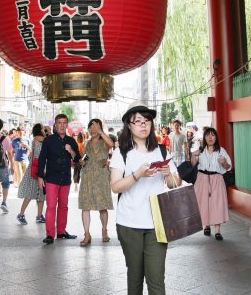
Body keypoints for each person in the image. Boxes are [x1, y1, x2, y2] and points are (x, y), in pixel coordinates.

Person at [110, 105, 179, 295]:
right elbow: (115, 187)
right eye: (138, 121)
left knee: (156, 278)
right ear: (129, 126)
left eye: (147, 120)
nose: (143, 125)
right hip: (129, 222)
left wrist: (168, 174)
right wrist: (138, 174)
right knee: (135, 276)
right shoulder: (121, 153)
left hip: (158, 223)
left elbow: (175, 183)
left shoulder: (162, 151)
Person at [37, 113, 80, 244]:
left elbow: (78, 159)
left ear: (67, 125)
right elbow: (42, 159)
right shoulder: (48, 140)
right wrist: (40, 176)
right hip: (51, 178)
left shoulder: (71, 141)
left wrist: (71, 151)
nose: (62, 125)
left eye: (64, 123)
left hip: (65, 178)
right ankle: (50, 234)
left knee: (63, 206)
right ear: (55, 125)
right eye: (59, 123)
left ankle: (61, 231)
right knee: (51, 206)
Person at [78, 118, 114, 246]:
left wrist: (101, 133)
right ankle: (87, 234)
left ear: (100, 128)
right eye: (91, 127)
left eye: (95, 127)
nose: (93, 130)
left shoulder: (104, 141)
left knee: (102, 205)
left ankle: (104, 230)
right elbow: (86, 156)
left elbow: (111, 145)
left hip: (101, 176)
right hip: (87, 176)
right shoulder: (87, 143)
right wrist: (83, 161)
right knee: (85, 206)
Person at [191, 127, 231, 241]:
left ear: (216, 138)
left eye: (213, 135)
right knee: (204, 203)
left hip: (217, 179)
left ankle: (217, 231)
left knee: (217, 204)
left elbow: (228, 167)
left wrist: (224, 163)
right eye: (208, 135)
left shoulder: (221, 151)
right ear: (204, 137)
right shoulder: (200, 150)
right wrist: (194, 155)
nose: (210, 137)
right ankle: (207, 226)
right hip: (202, 178)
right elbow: (193, 164)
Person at [17, 123, 47, 225]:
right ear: (40, 130)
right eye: (43, 128)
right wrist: (49, 131)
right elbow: (48, 141)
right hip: (37, 169)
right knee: (30, 193)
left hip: (38, 168)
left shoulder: (36, 139)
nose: (44, 130)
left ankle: (39, 215)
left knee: (41, 194)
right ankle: (21, 214)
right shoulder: (39, 138)